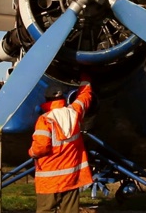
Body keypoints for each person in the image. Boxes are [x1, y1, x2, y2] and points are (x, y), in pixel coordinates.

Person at [28, 73, 93, 213]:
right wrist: (85, 77)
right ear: (63, 98)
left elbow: (41, 147)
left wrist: (31, 152)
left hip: (49, 181)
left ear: (47, 100)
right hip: (70, 178)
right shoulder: (74, 113)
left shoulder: (45, 120)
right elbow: (85, 97)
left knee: (46, 210)